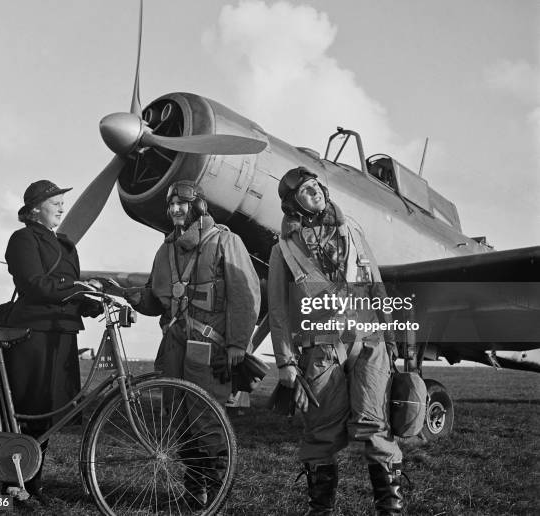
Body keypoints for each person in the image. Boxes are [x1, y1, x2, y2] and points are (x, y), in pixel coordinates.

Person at [268, 167, 404, 516]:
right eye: (305, 190)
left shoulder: (352, 230)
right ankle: (321, 511)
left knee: (377, 428)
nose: (314, 191)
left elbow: (375, 283)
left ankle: (390, 509)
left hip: (369, 342)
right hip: (321, 351)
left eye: (316, 185)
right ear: (291, 204)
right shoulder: (283, 250)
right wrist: (284, 361)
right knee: (320, 436)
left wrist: (389, 336)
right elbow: (278, 310)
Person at [132, 180, 260, 507]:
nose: (175, 209)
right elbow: (157, 298)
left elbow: (245, 296)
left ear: (199, 206)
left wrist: (237, 345)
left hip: (211, 348)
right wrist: (130, 297)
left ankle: (216, 495)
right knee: (178, 419)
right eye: (171, 204)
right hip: (174, 346)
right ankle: (194, 491)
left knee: (208, 420)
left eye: (182, 203)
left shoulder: (225, 242)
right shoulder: (165, 250)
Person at [3, 179, 96, 504]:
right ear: (33, 210)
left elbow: (68, 288)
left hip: (63, 333)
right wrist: (79, 290)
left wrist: (91, 300)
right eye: (54, 201)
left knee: (49, 414)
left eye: (61, 201)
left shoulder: (67, 245)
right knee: (29, 411)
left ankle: (32, 482)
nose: (61, 206)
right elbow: (36, 284)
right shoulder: (22, 239)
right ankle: (15, 485)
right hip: (33, 334)